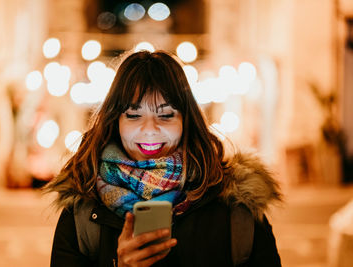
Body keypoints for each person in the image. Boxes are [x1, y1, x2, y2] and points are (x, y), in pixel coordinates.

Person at [45, 50, 282, 267]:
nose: (150, 129)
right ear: (115, 121)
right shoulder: (84, 207)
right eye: (134, 115)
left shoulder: (236, 205)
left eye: (166, 115)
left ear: (186, 122)